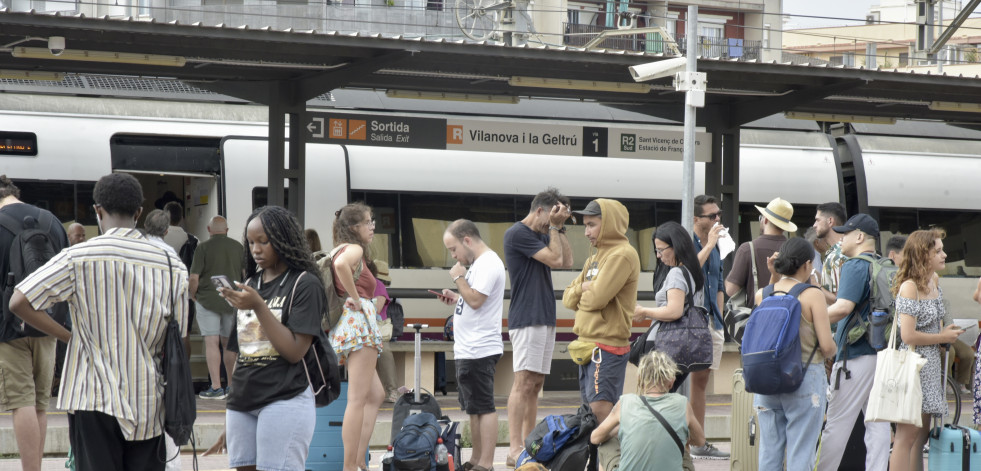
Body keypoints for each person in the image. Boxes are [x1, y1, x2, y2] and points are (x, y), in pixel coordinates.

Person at [9, 173, 187, 471]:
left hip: (91, 397)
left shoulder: (78, 256)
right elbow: (178, 336)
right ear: (139, 212)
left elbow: (19, 301)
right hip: (148, 400)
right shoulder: (170, 264)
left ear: (97, 210)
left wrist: (70, 337)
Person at [221, 206, 325, 471]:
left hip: (284, 397)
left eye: (263, 242)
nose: (256, 249)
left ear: (283, 240)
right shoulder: (251, 284)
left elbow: (294, 351)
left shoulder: (305, 283)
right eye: (251, 242)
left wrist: (258, 306)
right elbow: (238, 350)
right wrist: (233, 406)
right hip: (243, 400)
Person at [0, 175, 69, 471]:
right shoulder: (51, 220)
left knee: (21, 402)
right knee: (41, 402)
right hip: (48, 322)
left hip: (7, 326)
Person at [503, 187, 573, 466]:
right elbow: (555, 260)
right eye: (552, 217)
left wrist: (560, 229)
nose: (550, 224)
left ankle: (530, 442)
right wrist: (554, 229)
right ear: (540, 209)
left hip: (544, 314)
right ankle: (514, 447)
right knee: (523, 382)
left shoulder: (547, 233)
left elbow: (567, 262)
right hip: (526, 316)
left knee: (536, 383)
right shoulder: (517, 233)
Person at [754, 238, 837, 471]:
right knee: (801, 452)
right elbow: (827, 346)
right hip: (804, 378)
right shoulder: (812, 295)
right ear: (807, 265)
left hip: (766, 379)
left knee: (769, 453)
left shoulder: (763, 294)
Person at [816, 213, 890, 471]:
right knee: (878, 423)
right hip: (882, 355)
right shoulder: (885, 265)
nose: (840, 239)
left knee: (836, 423)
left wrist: (808, 317)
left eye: (845, 234)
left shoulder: (855, 265)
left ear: (859, 237)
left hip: (855, 356)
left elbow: (843, 307)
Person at [889, 229, 962, 471]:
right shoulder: (909, 286)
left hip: (930, 365)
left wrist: (944, 334)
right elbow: (907, 335)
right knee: (905, 438)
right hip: (913, 366)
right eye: (938, 251)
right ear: (923, 255)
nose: (944, 255)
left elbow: (932, 325)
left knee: (919, 439)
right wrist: (941, 336)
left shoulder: (934, 281)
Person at [562, 199, 640, 424]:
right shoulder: (594, 259)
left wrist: (585, 293)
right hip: (588, 346)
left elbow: (596, 299)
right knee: (590, 416)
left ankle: (611, 461)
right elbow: (567, 298)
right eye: (585, 225)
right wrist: (584, 287)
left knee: (600, 413)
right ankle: (596, 460)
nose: (586, 232)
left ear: (609, 224)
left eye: (592, 225)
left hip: (606, 347)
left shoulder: (621, 255)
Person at [437, 219, 505, 471]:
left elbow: (475, 300)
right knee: (473, 409)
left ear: (467, 239)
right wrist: (457, 298)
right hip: (469, 348)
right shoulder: (478, 265)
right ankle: (476, 459)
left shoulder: (488, 263)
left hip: (479, 348)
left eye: (454, 249)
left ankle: (485, 463)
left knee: (484, 407)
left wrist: (458, 279)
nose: (454, 256)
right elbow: (473, 299)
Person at [328, 202, 385, 471]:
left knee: (375, 395)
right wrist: (357, 299)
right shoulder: (354, 249)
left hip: (350, 325)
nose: (372, 227)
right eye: (368, 222)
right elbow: (341, 266)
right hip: (360, 325)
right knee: (358, 399)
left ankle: (358, 460)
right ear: (354, 227)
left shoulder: (339, 247)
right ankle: (350, 465)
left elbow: (338, 264)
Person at [589, 350, 705, 471]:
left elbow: (595, 438)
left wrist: (618, 429)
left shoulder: (625, 403)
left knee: (606, 443)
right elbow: (700, 441)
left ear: (640, 379)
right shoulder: (682, 404)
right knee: (683, 441)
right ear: (671, 381)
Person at [688, 195, 729, 460]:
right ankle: (690, 440)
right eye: (711, 216)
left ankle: (698, 441)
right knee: (685, 379)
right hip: (690, 321)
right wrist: (711, 242)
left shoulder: (716, 247)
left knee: (702, 380)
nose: (717, 219)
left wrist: (720, 315)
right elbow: (690, 270)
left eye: (718, 215)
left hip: (711, 320)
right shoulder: (688, 243)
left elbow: (720, 281)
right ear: (696, 219)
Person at [189, 215, 245, 400]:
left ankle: (215, 387)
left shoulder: (202, 247)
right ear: (227, 230)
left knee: (211, 343)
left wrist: (192, 295)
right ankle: (231, 386)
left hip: (207, 300)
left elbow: (194, 278)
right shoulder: (238, 247)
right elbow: (245, 275)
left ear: (208, 229)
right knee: (229, 344)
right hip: (232, 300)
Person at [725, 197, 797, 306]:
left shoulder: (747, 249)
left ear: (766, 220)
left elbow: (731, 290)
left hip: (757, 318)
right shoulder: (796, 250)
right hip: (789, 317)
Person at [369, 259, 399, 403]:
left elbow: (377, 309)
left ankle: (392, 390)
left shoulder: (378, 286)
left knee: (384, 352)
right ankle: (391, 390)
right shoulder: (377, 284)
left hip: (376, 328)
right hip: (369, 329)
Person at [813, 202, 847, 303]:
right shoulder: (840, 251)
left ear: (830, 221)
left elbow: (839, 300)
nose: (814, 225)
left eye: (817, 220)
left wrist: (815, 285)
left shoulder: (837, 256)